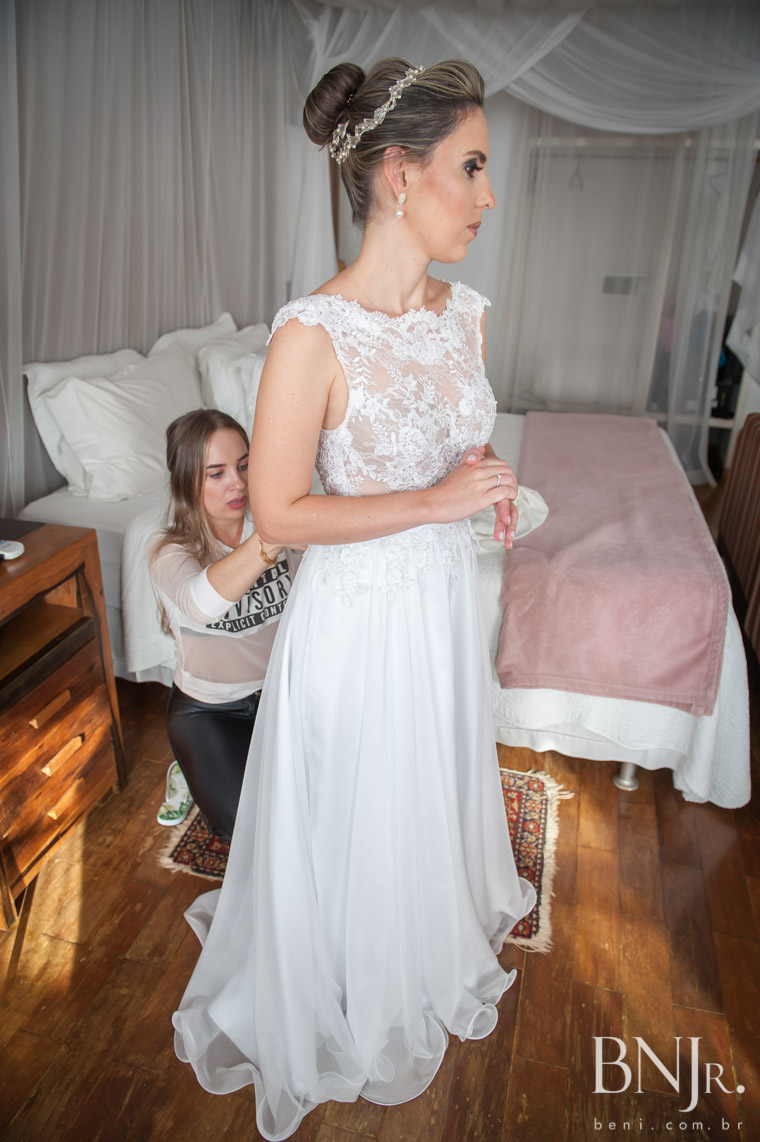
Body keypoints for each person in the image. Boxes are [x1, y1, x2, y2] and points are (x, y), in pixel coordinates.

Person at [172, 59, 536, 1140]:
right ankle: (338, 979)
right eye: (471, 167)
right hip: (357, 620)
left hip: (438, 606)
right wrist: (435, 499)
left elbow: (454, 444)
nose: (487, 195)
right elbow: (279, 512)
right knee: (354, 803)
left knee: (426, 782)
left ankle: (417, 941)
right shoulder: (310, 335)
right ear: (399, 174)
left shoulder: (465, 315)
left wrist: (483, 485)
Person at [149, 408, 299, 841]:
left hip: (282, 696)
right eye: (216, 474)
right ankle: (190, 767)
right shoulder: (169, 552)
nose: (238, 483)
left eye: (244, 465)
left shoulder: (269, 521)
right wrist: (277, 532)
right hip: (210, 710)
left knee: (314, 808)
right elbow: (202, 604)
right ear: (187, 483)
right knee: (247, 828)